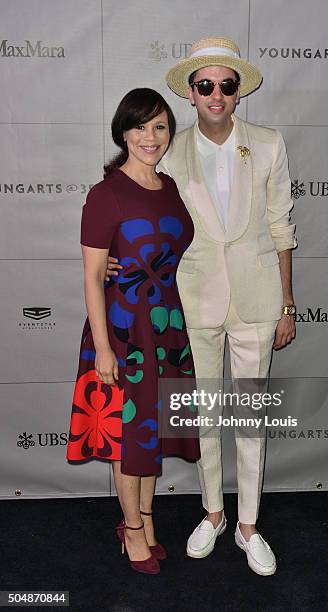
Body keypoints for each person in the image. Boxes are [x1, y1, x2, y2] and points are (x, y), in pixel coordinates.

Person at [107, 37, 297, 576]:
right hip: (192, 303)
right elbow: (138, 199)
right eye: (205, 84)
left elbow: (283, 227)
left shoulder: (269, 143)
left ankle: (248, 525)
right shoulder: (170, 147)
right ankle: (213, 513)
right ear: (191, 93)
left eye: (226, 85)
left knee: (250, 418)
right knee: (207, 415)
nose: (216, 94)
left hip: (259, 301)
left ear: (238, 92)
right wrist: (113, 260)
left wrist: (288, 304)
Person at [67, 88, 200, 575]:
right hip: (124, 331)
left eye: (160, 127)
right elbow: (91, 276)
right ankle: (133, 531)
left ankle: (143, 517)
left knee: (153, 433)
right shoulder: (106, 194)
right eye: (140, 127)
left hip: (166, 323)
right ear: (123, 132)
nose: (151, 137)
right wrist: (103, 348)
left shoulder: (168, 186)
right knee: (131, 435)